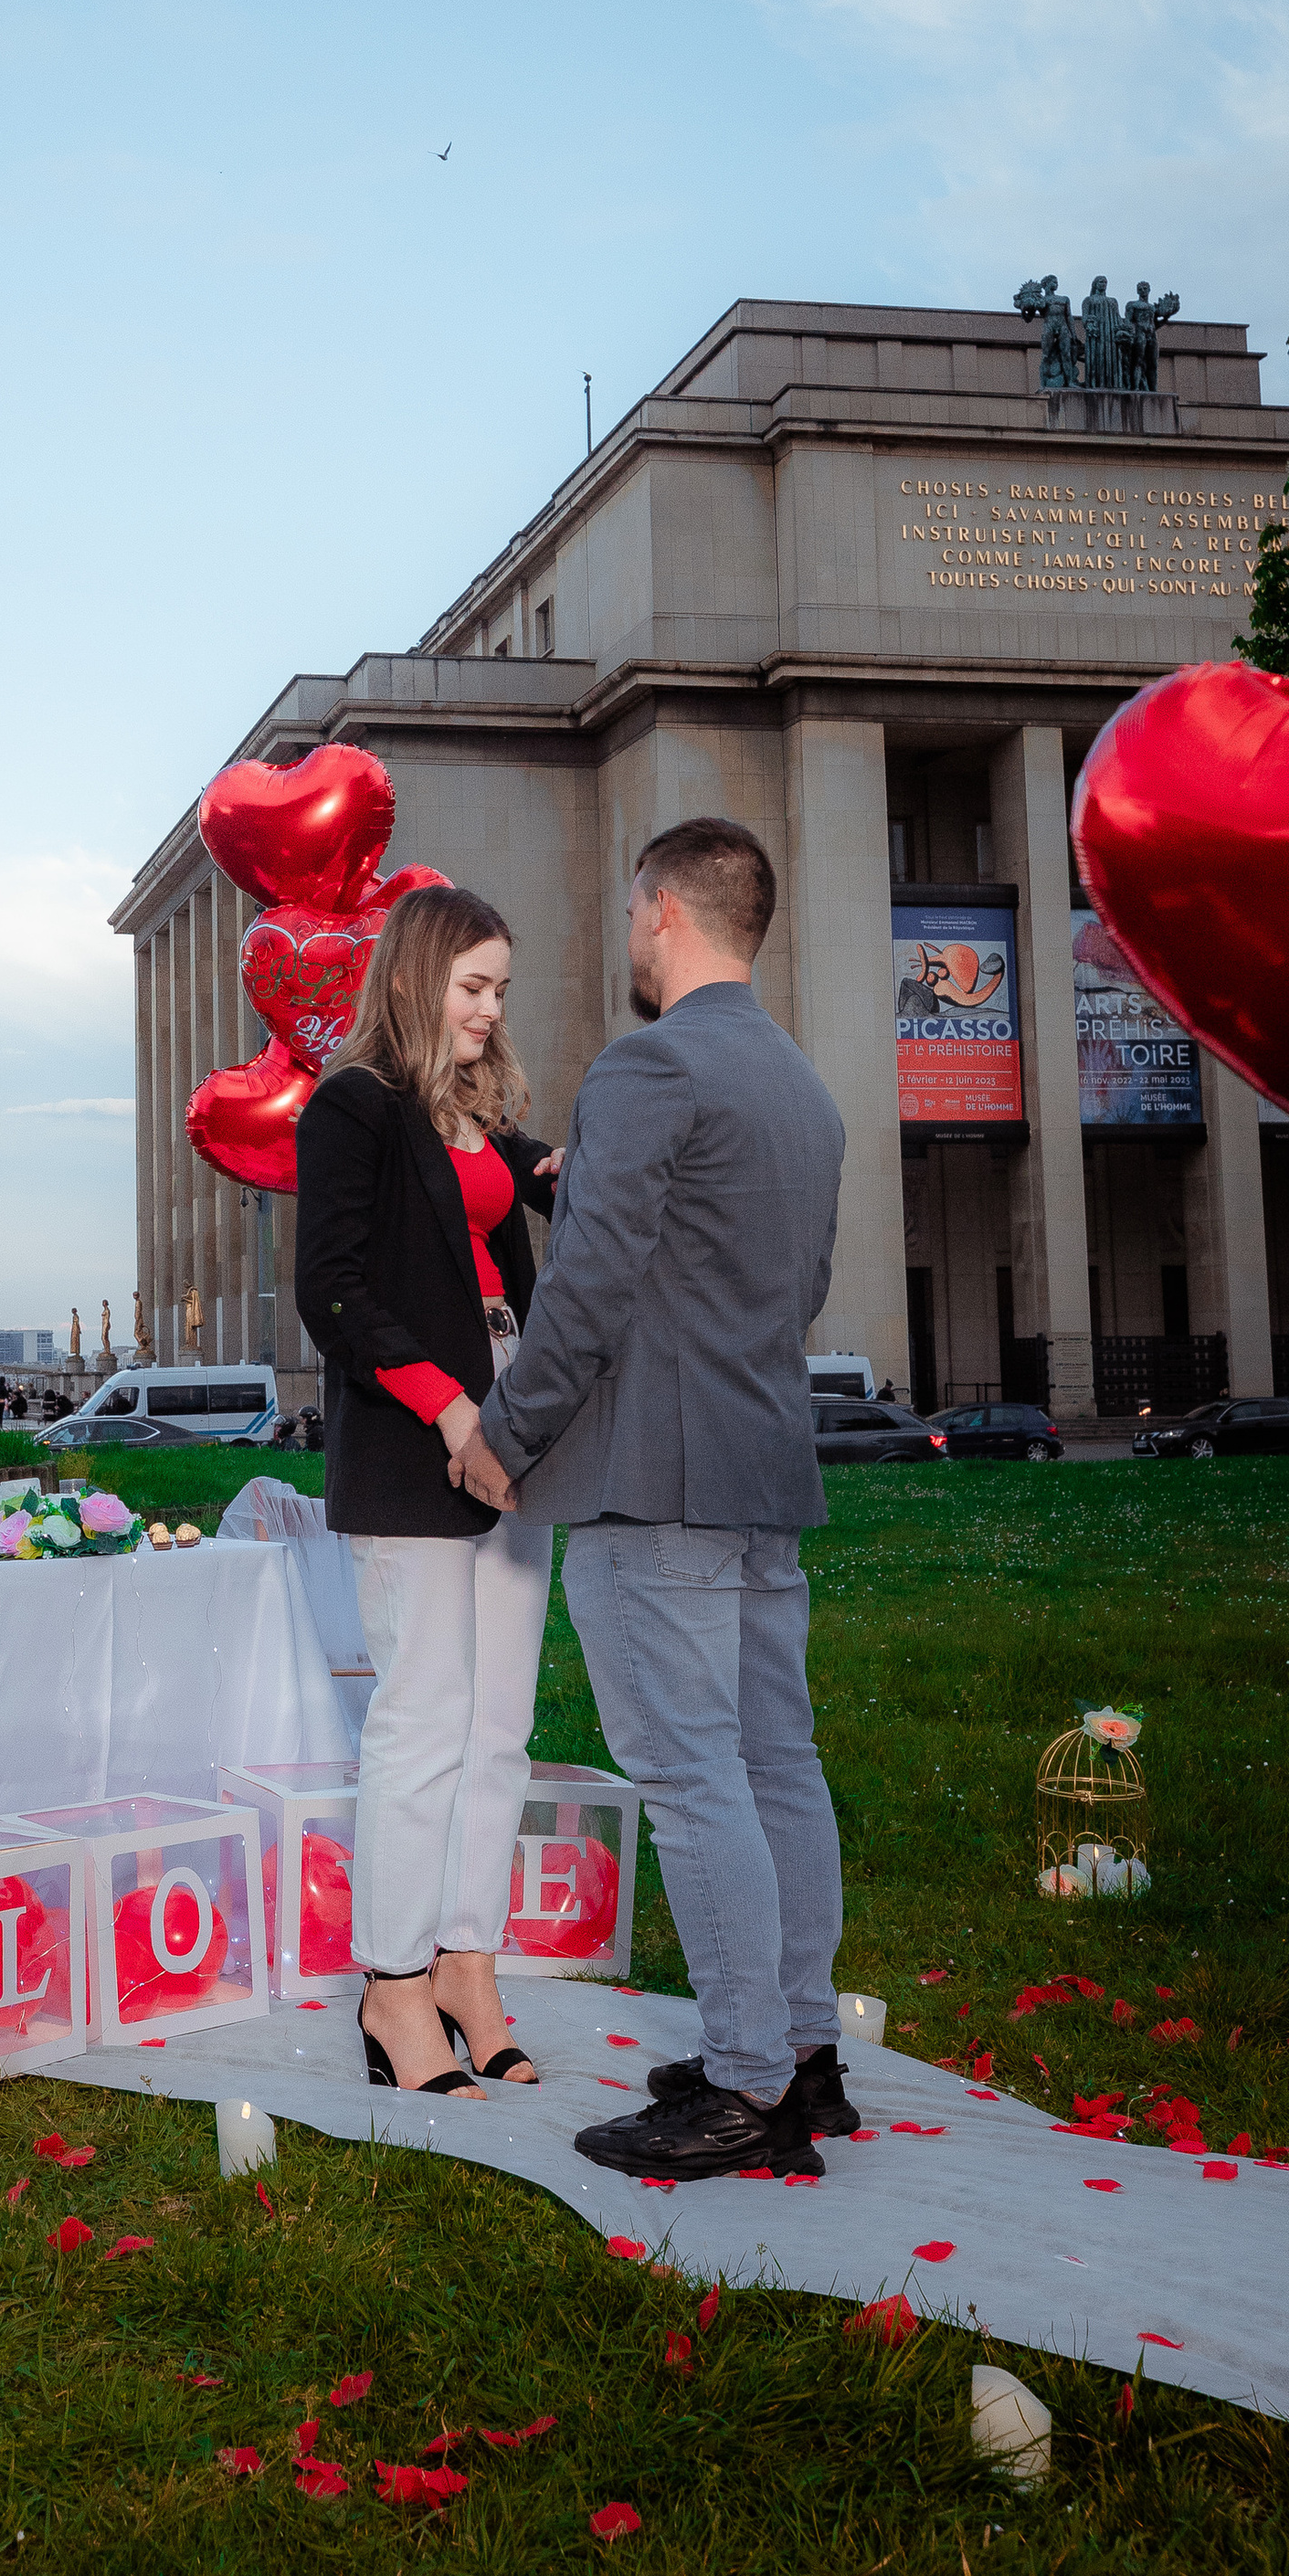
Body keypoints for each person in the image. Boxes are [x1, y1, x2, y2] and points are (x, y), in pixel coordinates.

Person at [450, 818, 850, 2182]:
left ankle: (745, 2086)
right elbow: (783, 1288)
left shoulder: (649, 1066)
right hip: (762, 1470)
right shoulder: (803, 1089)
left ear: (662, 908)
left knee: (692, 1775)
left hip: (654, 1482)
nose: (630, 936)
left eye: (633, 915)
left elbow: (591, 1293)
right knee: (777, 1762)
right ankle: (802, 2050)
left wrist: (505, 1436)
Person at [294, 883, 565, 2100]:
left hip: (514, 1446)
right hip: (418, 1449)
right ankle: (393, 1984)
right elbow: (335, 1291)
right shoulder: (353, 1106)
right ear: (415, 979)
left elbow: (557, 1198)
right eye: (472, 986)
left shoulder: (481, 1122)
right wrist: (455, 1411)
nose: (491, 1008)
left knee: (499, 1727)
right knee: (422, 1722)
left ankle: (467, 1963)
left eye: (501, 989)